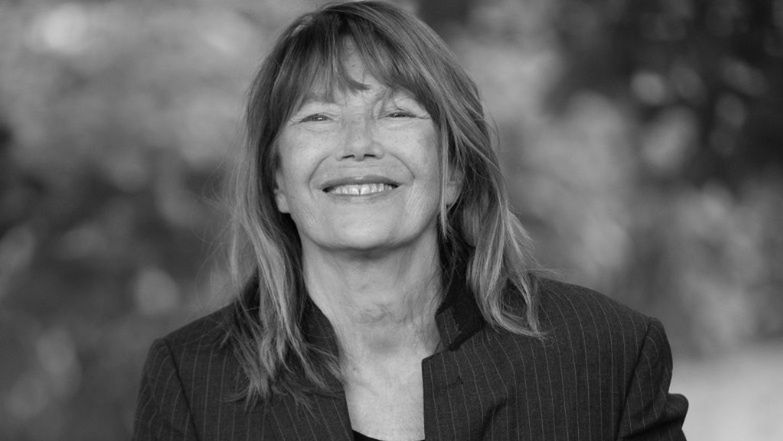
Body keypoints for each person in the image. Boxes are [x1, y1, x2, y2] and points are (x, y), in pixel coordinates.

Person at [131, 2, 688, 440]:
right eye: (318, 116)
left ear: (453, 170)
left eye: (396, 112)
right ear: (277, 180)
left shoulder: (606, 354)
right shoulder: (192, 381)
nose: (358, 144)